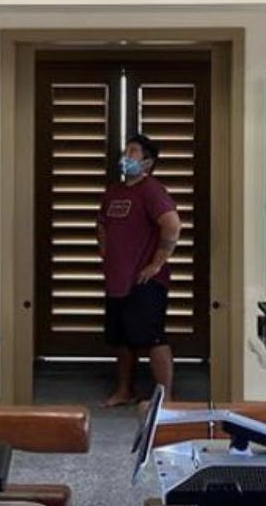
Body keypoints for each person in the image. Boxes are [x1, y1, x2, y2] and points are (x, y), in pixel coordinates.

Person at [97, 134, 182, 407]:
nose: (126, 156)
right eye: (126, 151)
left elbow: (172, 225)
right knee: (123, 339)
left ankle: (166, 398)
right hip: (117, 279)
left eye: (132, 152)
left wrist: (156, 263)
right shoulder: (114, 192)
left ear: (147, 162)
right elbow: (101, 224)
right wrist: (106, 251)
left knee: (152, 337)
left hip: (146, 280)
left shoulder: (152, 190)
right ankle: (125, 390)